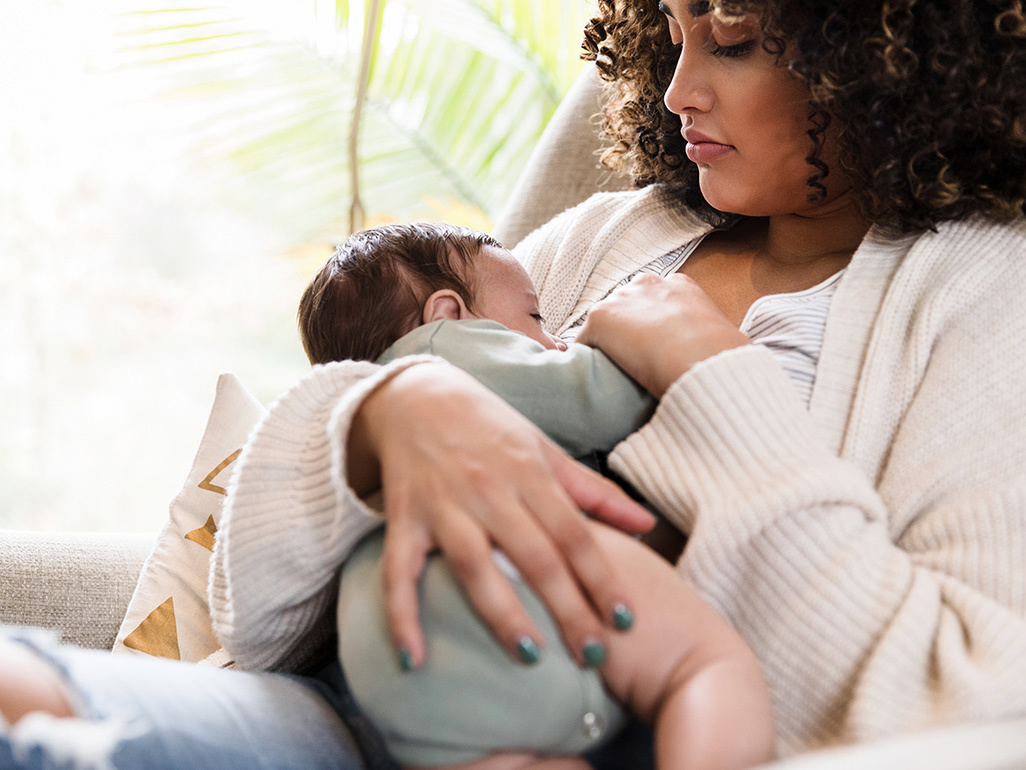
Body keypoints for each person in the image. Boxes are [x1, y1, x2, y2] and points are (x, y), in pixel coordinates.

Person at [3, 0, 1025, 767]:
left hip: (581, 739)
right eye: (670, 35)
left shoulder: (983, 295)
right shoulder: (609, 235)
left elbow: (955, 702)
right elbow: (252, 614)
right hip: (350, 715)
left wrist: (711, 380)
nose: (678, 91)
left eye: (735, 39)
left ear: (887, 60)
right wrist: (388, 414)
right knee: (23, 693)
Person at [297, 220, 772, 769]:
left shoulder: (354, 414)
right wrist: (645, 334)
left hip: (390, 652)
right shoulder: (443, 354)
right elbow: (601, 398)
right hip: (506, 577)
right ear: (448, 314)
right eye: (536, 318)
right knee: (704, 664)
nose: (557, 340)